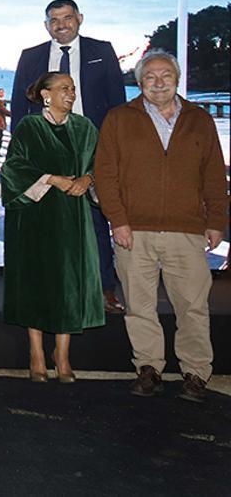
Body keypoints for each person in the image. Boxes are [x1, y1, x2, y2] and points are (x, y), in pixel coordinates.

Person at [95, 51, 228, 403]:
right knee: (139, 306)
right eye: (150, 76)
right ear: (140, 83)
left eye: (165, 75)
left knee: (193, 306)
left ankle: (196, 373)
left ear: (177, 78)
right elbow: (105, 175)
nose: (158, 82)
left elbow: (214, 174)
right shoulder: (119, 118)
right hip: (133, 231)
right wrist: (118, 221)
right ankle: (148, 368)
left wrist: (216, 221)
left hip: (187, 230)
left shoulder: (199, 120)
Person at [11, 0, 126, 313]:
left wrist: (113, 151)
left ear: (80, 19)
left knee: (95, 221)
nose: (61, 24)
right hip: (44, 149)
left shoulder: (101, 52)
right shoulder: (31, 57)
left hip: (92, 149)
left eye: (67, 18)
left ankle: (103, 288)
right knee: (45, 221)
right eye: (54, 19)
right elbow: (20, 109)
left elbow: (117, 104)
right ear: (46, 24)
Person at [1, 71, 104, 383]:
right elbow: (13, 167)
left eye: (72, 88)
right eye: (63, 89)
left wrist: (87, 180)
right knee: (37, 279)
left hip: (73, 217)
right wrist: (52, 179)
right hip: (35, 215)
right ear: (45, 94)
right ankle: (36, 352)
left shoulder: (85, 128)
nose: (70, 93)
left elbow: (99, 166)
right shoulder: (29, 127)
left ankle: (62, 354)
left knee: (68, 283)